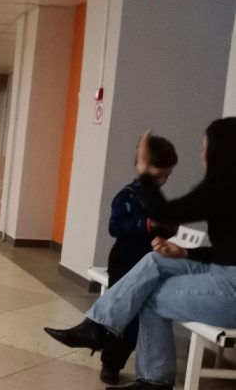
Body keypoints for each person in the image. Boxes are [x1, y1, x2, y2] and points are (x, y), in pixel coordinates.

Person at [44, 117, 236, 390]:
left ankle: (153, 381)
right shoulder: (226, 190)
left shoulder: (224, 188)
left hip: (230, 288)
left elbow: (164, 213)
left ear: (220, 153)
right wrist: (185, 251)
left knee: (149, 296)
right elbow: (229, 250)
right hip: (223, 273)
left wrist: (145, 171)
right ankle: (97, 327)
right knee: (156, 259)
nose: (201, 155)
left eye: (205, 148)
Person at [100, 137, 178, 385]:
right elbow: (115, 227)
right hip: (125, 261)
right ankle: (110, 362)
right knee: (123, 315)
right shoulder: (127, 195)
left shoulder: (158, 199)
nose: (163, 181)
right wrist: (147, 224)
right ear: (142, 168)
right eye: (158, 175)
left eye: (167, 176)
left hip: (150, 262)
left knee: (141, 317)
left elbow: (166, 227)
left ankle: (142, 368)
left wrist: (167, 228)